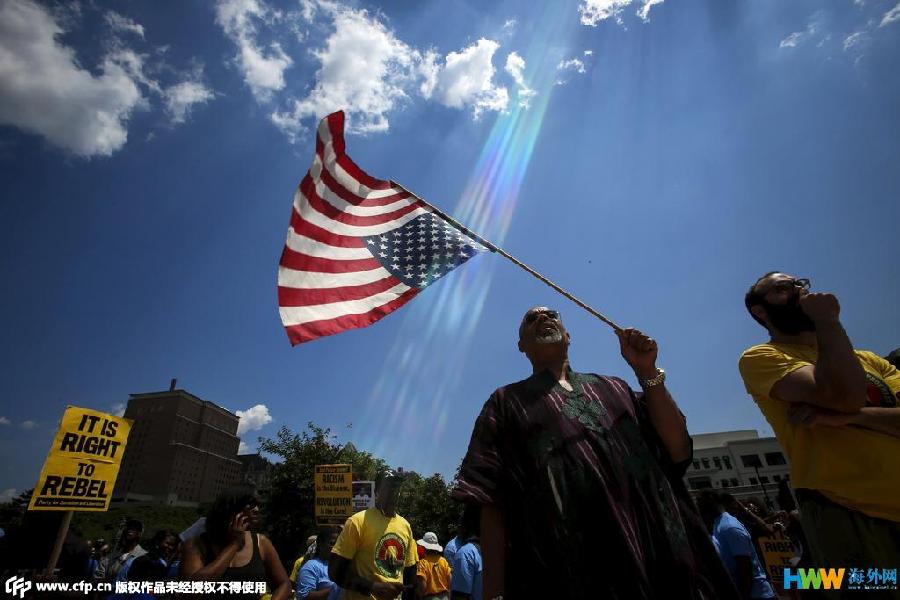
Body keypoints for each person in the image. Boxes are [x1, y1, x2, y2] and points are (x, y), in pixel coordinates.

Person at [453, 306, 738, 599]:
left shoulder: (617, 388)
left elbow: (677, 449)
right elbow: (492, 500)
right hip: (568, 573)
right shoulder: (505, 403)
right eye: (530, 318)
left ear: (568, 335)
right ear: (521, 346)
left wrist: (647, 371)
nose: (543, 318)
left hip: (657, 561)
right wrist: (494, 594)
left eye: (552, 314)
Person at [739, 272, 900, 570]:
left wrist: (851, 417)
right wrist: (827, 321)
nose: (799, 290)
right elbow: (842, 395)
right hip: (846, 514)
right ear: (759, 311)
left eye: (800, 284)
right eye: (782, 288)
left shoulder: (870, 360)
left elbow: (847, 406)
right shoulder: (763, 357)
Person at [180, 490, 291, 600]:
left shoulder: (261, 543)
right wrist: (234, 544)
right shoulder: (196, 545)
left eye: (257, 505)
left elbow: (284, 584)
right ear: (231, 510)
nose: (257, 510)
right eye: (250, 505)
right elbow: (192, 592)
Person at [329, 470, 417, 600]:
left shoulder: (405, 526)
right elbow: (335, 571)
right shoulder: (357, 521)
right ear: (376, 492)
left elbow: (410, 573)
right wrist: (372, 587)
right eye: (387, 487)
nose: (393, 491)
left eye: (396, 487)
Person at [696, 492, 776, 600]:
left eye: (701, 501)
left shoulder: (729, 527)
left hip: (755, 595)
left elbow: (745, 568)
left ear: (712, 502)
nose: (698, 505)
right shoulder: (718, 525)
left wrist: (742, 596)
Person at [296, 526, 341, 600]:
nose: (336, 547)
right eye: (332, 543)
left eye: (339, 543)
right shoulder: (311, 567)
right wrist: (336, 588)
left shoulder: (342, 566)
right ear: (320, 543)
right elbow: (304, 596)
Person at [415, 532, 451, 600]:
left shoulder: (423, 563)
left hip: (430, 597)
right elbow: (450, 580)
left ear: (425, 547)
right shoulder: (443, 561)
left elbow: (423, 585)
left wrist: (419, 595)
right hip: (445, 597)